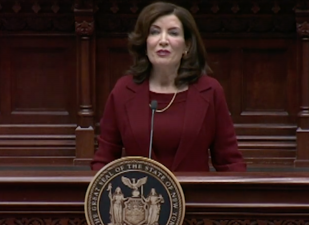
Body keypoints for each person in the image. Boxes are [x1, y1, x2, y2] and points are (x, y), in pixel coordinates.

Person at [91, 1, 246, 172]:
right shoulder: (124, 90)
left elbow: (229, 161)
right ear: (145, 42)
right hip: (140, 196)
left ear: (187, 46)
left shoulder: (209, 91)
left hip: (195, 197)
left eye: (173, 33)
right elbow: (104, 160)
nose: (163, 40)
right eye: (155, 32)